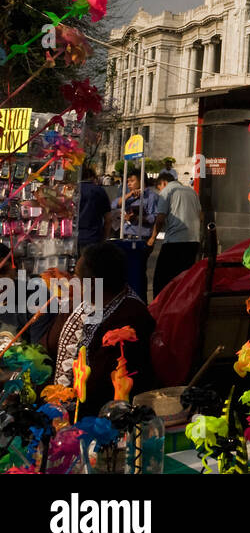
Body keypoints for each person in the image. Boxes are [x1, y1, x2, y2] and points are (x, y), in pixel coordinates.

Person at [50, 242, 155, 416]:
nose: (72, 281)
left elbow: (99, 384)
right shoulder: (83, 304)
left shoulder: (130, 316)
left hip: (98, 418)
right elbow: (50, 345)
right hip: (65, 405)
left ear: (92, 283)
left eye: (77, 276)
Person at [150, 170, 203, 298]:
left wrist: (152, 238)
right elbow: (201, 216)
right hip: (192, 241)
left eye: (159, 188)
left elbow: (160, 218)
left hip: (174, 242)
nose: (159, 191)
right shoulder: (192, 192)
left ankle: (160, 307)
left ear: (163, 182)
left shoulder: (167, 191)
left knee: (161, 278)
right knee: (184, 277)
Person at [77, 165, 111, 251]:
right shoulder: (99, 191)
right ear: (92, 177)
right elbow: (108, 219)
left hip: (71, 237)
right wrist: (104, 239)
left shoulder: (71, 189)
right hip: (93, 237)